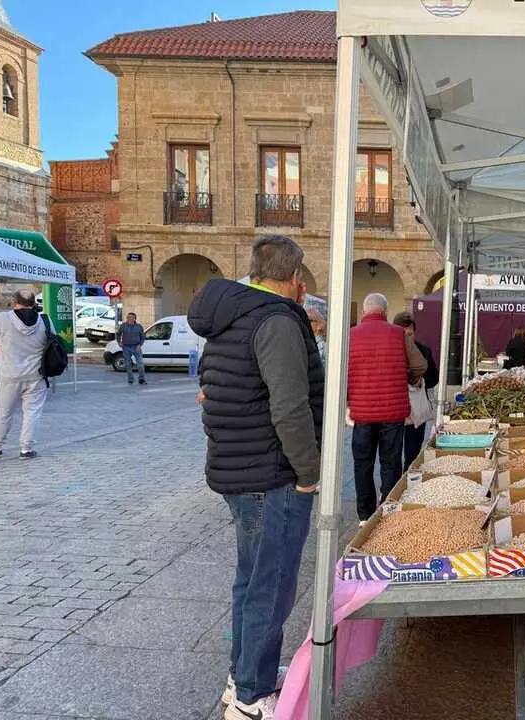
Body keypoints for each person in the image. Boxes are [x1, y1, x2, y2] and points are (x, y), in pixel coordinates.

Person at [187, 235, 325, 720]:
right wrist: (308, 472)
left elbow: (212, 387)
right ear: (295, 278)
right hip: (272, 474)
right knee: (271, 586)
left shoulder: (231, 316)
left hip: (238, 467)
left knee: (251, 581)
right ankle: (251, 698)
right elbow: (289, 407)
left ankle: (243, 675)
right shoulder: (276, 321)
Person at [348, 293, 426, 524]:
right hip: (393, 414)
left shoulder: (350, 335)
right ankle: (388, 509)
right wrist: (407, 377)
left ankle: (364, 514)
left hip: (362, 413)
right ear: (385, 311)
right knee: (390, 462)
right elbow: (420, 365)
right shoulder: (399, 334)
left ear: (365, 311)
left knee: (362, 464)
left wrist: (350, 396)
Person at [0, 289, 48, 460]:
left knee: (3, 413)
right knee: (32, 413)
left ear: (14, 302)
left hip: (9, 375)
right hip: (36, 375)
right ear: (33, 303)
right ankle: (26, 450)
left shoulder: (3, 318)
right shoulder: (45, 320)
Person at [392, 311, 440, 470]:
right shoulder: (390, 350)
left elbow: (434, 378)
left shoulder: (424, 351)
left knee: (412, 450)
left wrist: (420, 382)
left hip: (417, 409)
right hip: (395, 410)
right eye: (403, 334)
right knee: (392, 452)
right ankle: (395, 480)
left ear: (415, 332)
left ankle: (409, 475)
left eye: (410, 334)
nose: (407, 338)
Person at [117, 312, 146, 385]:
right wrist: (119, 342)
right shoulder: (123, 326)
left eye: (130, 317)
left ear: (134, 319)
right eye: (127, 317)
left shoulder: (139, 326)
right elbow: (118, 334)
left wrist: (140, 345)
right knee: (128, 364)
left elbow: (143, 337)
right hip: (126, 347)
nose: (128, 319)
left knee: (140, 364)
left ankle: (141, 379)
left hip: (136, 347)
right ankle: (130, 379)